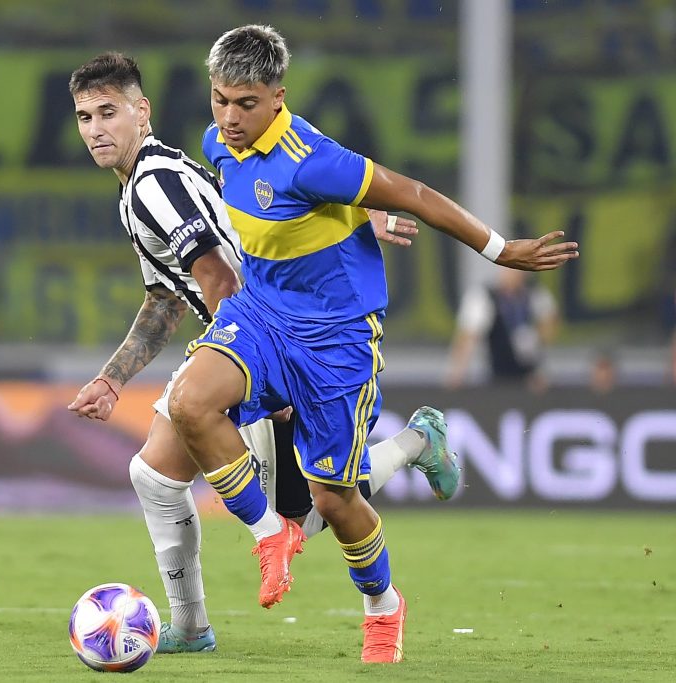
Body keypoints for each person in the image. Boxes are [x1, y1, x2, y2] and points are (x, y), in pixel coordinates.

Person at [167, 25, 579, 664]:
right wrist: (356, 216)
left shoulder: (316, 161)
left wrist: (501, 250)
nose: (229, 117)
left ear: (278, 97)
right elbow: (263, 210)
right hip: (263, 315)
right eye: (219, 100)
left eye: (245, 104)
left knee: (334, 498)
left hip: (336, 339)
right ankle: (271, 534)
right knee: (189, 403)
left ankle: (384, 607)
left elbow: (414, 194)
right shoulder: (216, 144)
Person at [64, 53, 460, 654]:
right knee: (155, 477)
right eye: (84, 117)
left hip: (262, 343)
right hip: (240, 343)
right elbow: (168, 296)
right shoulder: (145, 184)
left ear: (141, 112)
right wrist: (112, 379)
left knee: (318, 509)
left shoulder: (153, 185)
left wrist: (265, 377)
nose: (95, 129)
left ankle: (415, 443)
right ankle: (191, 628)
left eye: (108, 113)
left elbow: (220, 278)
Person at [445, 268, 559, 391]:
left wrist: (540, 365)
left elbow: (549, 323)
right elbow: (468, 336)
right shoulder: (484, 297)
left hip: (529, 376)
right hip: (496, 375)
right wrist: (458, 372)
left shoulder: (536, 295)